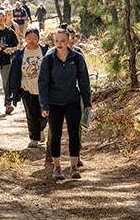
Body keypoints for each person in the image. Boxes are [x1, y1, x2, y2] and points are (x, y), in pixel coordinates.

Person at [39, 27, 91, 180]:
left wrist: (87, 102)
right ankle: (57, 168)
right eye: (56, 41)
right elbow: (43, 83)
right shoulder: (48, 59)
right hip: (54, 102)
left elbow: (84, 81)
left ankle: (74, 168)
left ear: (69, 41)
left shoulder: (77, 58)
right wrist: (44, 105)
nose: (59, 44)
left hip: (72, 100)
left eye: (63, 41)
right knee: (55, 134)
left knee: (74, 134)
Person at [8, 27, 49, 148]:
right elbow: (15, 72)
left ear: (39, 39)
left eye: (34, 38)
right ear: (25, 39)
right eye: (29, 38)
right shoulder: (20, 54)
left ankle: (41, 129)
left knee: (44, 114)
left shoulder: (45, 51)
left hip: (43, 89)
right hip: (26, 88)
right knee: (31, 114)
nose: (32, 41)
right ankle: (34, 138)